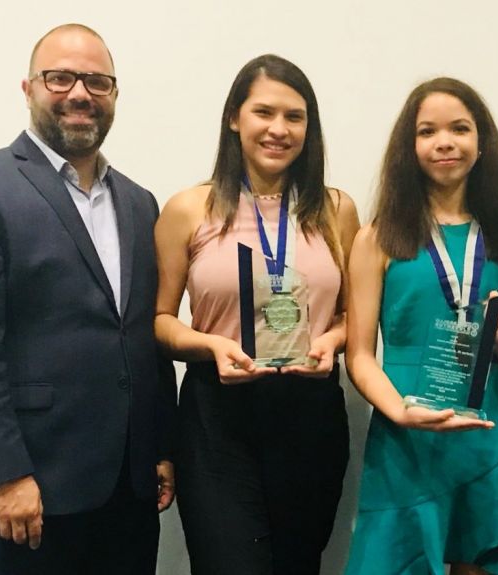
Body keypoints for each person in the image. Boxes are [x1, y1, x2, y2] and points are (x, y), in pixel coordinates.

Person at [0, 23, 176, 575]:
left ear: (114, 94)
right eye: (60, 78)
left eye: (97, 82)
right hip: (28, 487)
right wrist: (3, 473)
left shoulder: (139, 203)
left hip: (127, 489)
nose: (80, 93)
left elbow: (140, 333)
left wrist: (158, 445)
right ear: (28, 88)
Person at [154, 54, 359, 575]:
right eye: (264, 112)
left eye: (294, 116)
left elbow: (354, 315)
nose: (278, 129)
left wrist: (332, 342)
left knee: (297, 565)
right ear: (234, 118)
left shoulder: (336, 209)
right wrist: (210, 345)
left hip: (310, 414)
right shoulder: (189, 208)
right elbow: (159, 321)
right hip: (217, 417)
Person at [344, 77, 498, 575]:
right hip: (407, 436)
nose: (444, 142)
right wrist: (400, 410)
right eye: (428, 131)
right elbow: (359, 355)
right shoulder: (376, 239)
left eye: (459, 128)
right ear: (409, 147)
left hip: (489, 435)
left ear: (482, 144)